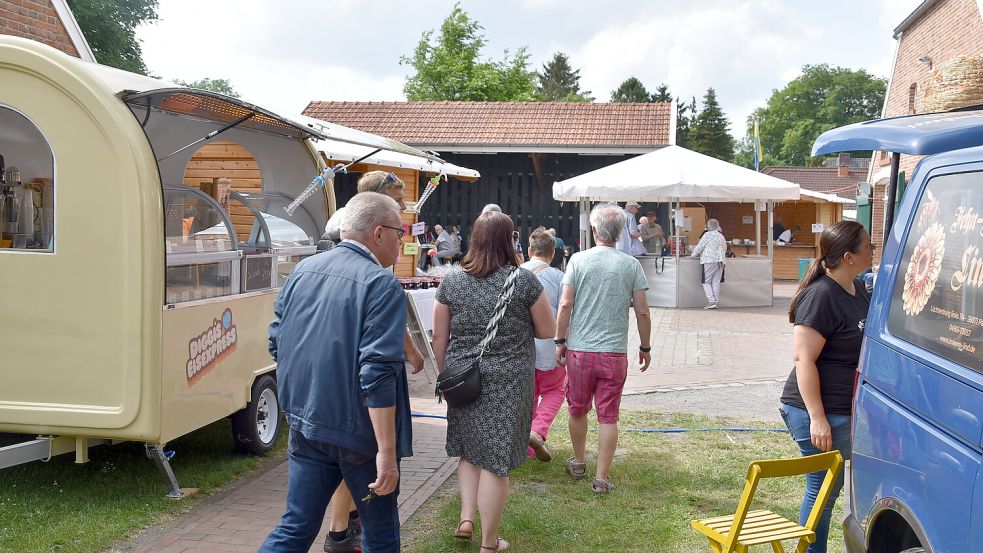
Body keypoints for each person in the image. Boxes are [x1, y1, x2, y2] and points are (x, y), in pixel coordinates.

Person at [260, 192, 411, 553]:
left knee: (296, 526)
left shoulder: (303, 270)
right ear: (378, 233)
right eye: (399, 231)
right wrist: (386, 453)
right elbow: (377, 374)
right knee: (380, 535)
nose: (402, 239)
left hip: (308, 421)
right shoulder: (382, 284)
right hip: (357, 433)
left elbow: (277, 341)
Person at [431, 211, 555, 552]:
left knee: (469, 452)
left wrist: (448, 374)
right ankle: (489, 543)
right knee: (496, 462)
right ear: (509, 240)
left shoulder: (451, 280)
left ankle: (466, 518)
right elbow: (548, 330)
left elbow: (438, 336)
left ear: (474, 237)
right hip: (509, 382)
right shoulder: (524, 282)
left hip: (462, 380)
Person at [319, 173, 424, 551]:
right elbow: (377, 309)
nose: (403, 208)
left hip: (336, 359)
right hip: (358, 363)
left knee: (336, 465)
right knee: (361, 453)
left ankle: (340, 528)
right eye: (398, 199)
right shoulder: (365, 240)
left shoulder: (346, 225)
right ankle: (342, 529)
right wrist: (410, 351)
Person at [779, 220, 873, 553]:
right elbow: (803, 360)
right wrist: (818, 418)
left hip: (839, 410)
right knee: (822, 489)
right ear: (849, 256)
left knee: (828, 489)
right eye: (868, 246)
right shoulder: (821, 296)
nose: (873, 249)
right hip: (814, 411)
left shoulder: (857, 288)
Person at [555, 202, 652, 494]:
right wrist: (645, 346)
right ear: (621, 232)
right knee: (609, 415)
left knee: (577, 408)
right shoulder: (631, 265)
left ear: (594, 230)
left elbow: (565, 304)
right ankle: (601, 477)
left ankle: (579, 461)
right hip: (614, 353)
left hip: (580, 351)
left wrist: (560, 340)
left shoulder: (578, 261)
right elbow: (643, 312)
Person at [520, 228, 567, 463]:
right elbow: (566, 312)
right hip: (549, 346)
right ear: (553, 253)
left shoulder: (515, 274)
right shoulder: (559, 278)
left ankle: (526, 445)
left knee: (530, 394)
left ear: (529, 251)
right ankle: (537, 431)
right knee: (555, 390)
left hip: (520, 348)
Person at [690, 218, 727, 309]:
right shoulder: (721, 236)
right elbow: (725, 247)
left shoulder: (707, 235)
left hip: (709, 260)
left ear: (708, 226)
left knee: (706, 282)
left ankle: (711, 301)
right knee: (716, 282)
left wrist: (692, 255)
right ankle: (715, 302)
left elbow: (700, 246)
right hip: (720, 261)